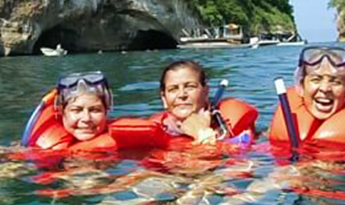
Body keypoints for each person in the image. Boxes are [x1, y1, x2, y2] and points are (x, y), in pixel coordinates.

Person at [108, 60, 259, 149]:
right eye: (173, 89)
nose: (182, 95)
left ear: (206, 91)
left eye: (190, 87)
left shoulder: (228, 128)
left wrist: (204, 134)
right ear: (163, 98)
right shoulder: (155, 128)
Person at [267, 46, 345, 148]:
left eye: (336, 82)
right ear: (301, 86)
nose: (325, 88)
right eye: (316, 80)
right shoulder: (271, 132)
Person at [24, 72, 118, 152]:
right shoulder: (36, 148)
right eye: (77, 110)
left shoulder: (123, 144)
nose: (86, 118)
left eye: (95, 110)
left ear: (106, 111)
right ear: (61, 111)